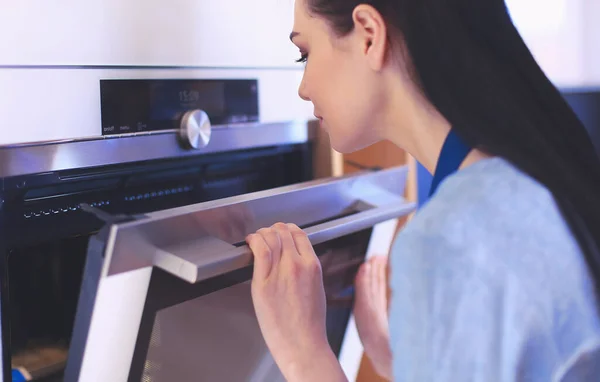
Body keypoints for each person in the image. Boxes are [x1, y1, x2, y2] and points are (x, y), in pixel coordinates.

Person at [245, 0, 600, 381]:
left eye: (305, 54)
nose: (303, 88)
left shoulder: (450, 239)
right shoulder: (527, 183)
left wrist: (304, 354)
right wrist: (405, 359)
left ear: (368, 35)